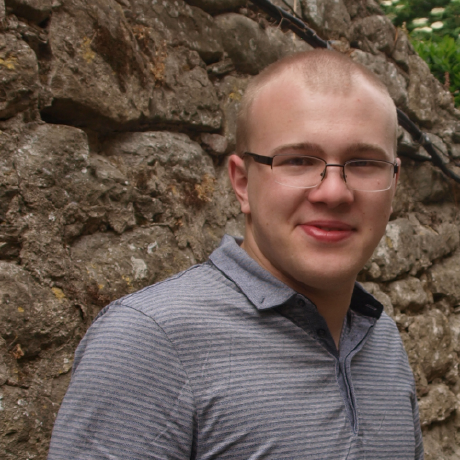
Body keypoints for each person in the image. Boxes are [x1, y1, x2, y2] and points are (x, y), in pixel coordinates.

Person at [48, 49, 423, 459]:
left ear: (393, 184)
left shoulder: (382, 340)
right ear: (242, 183)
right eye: (298, 160)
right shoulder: (150, 342)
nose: (333, 192)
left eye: (364, 162)